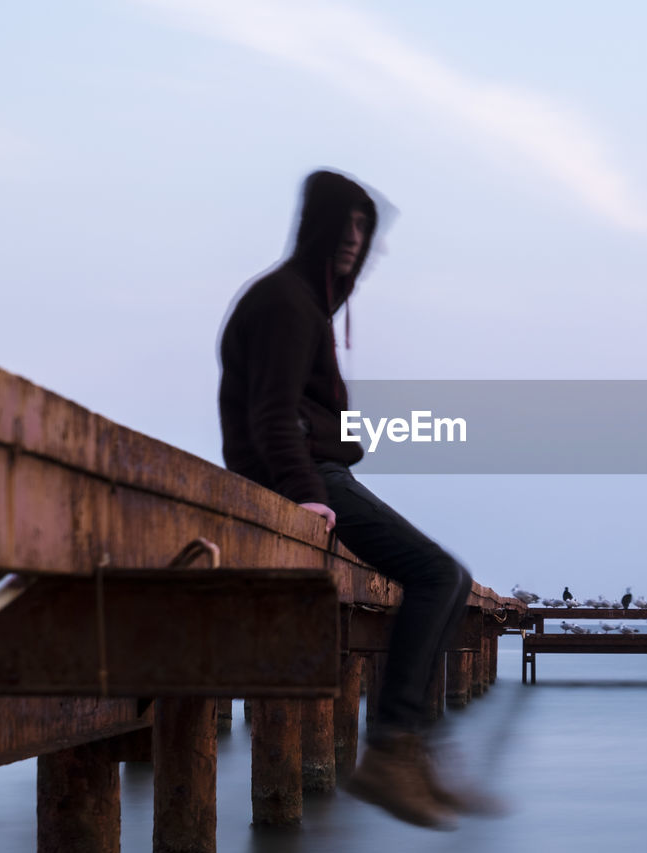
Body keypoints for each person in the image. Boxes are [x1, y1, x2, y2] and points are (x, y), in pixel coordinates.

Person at [218, 169, 489, 830]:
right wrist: (307, 496)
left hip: (318, 470)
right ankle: (394, 750)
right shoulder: (287, 302)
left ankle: (412, 748)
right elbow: (271, 415)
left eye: (365, 229)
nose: (354, 239)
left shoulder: (304, 303)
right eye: (346, 223)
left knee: (450, 582)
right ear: (317, 226)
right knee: (440, 575)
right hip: (309, 476)